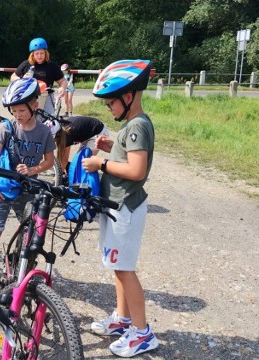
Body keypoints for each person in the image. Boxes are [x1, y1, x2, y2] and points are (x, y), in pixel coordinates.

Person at [81, 59, 159, 357]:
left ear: (128, 97)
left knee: (125, 270)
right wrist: (110, 147)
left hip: (125, 207)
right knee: (117, 265)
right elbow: (128, 154)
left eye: (111, 102)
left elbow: (137, 170)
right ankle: (123, 319)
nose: (108, 108)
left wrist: (101, 162)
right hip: (116, 206)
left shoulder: (137, 126)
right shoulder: (131, 125)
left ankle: (142, 334)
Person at [0, 77, 56, 290]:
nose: (17, 116)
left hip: (28, 189)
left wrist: (33, 170)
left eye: (21, 111)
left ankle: (21, 265)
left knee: (30, 232)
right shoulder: (6, 128)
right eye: (13, 111)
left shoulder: (44, 132)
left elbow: (50, 161)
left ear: (35, 106)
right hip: (3, 188)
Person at [10, 37, 67, 117]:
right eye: (37, 53)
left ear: (46, 53)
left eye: (42, 53)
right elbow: (13, 77)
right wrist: (22, 80)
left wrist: (62, 88)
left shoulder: (52, 65)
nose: (39, 56)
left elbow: (62, 81)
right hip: (29, 96)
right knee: (29, 118)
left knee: (49, 119)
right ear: (32, 54)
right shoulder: (26, 64)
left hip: (46, 96)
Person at [45, 115, 110, 178]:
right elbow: (61, 156)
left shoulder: (66, 135)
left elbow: (64, 160)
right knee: (76, 163)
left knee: (82, 162)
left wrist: (57, 179)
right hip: (86, 131)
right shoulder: (61, 130)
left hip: (98, 132)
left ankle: (84, 182)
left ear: (58, 135)